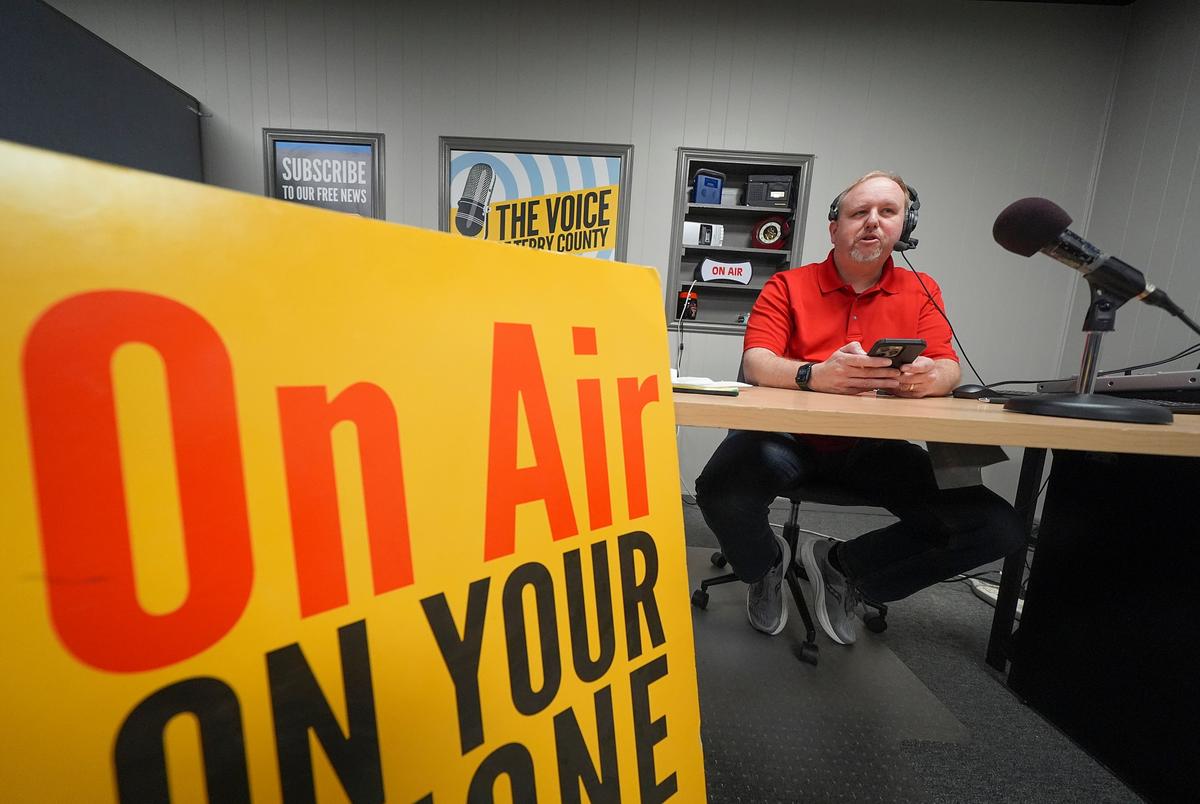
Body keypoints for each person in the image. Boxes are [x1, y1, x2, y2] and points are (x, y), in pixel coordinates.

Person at [695, 171, 1023, 645]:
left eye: (887, 212)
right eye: (858, 212)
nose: (872, 222)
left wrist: (934, 378)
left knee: (999, 529)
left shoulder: (922, 289)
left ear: (903, 227)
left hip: (874, 447)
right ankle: (764, 567)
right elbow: (757, 362)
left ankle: (845, 567)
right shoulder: (788, 285)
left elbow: (949, 367)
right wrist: (813, 375)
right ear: (835, 227)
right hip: (784, 440)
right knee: (720, 492)